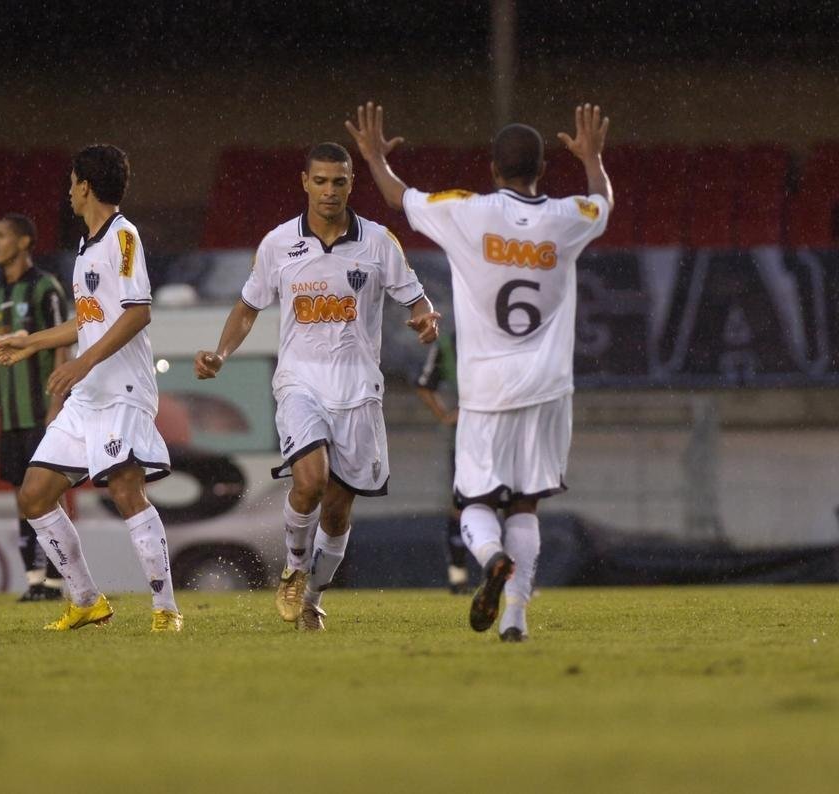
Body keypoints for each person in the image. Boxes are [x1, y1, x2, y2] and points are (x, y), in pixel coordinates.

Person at [347, 101, 613, 641]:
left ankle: (490, 559)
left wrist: (374, 156)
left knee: (473, 502)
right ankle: (515, 619)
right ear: (542, 170)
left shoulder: (466, 211)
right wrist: (592, 158)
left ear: (493, 170)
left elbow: (400, 197)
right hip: (548, 387)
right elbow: (604, 202)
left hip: (487, 386)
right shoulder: (567, 219)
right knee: (525, 504)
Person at [195, 142, 439, 632]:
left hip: (359, 391)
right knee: (309, 481)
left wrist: (425, 319)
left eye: (339, 181)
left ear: (352, 184)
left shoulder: (379, 244)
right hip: (300, 383)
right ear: (305, 182)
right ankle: (292, 567)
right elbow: (248, 307)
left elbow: (417, 300)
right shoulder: (279, 244)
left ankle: (313, 595)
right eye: (321, 181)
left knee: (337, 508)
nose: (330, 190)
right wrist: (221, 354)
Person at [0, 144, 182, 632]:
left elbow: (139, 312)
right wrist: (29, 342)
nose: (68, 191)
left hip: (122, 390)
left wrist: (82, 363)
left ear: (86, 187)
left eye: (72, 181)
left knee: (125, 489)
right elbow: (87, 320)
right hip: (88, 394)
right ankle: (87, 601)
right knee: (33, 495)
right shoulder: (86, 246)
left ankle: (166, 610)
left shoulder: (123, 236)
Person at [0, 213, 70, 602]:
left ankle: (55, 580)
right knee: (21, 496)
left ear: (23, 242)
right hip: (13, 419)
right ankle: (35, 580)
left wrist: (57, 404)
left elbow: (62, 344)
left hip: (39, 412)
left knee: (46, 494)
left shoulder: (44, 289)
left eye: (1, 235)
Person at [413, 330, 471, 594]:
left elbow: (425, 385)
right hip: (470, 434)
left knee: (475, 501)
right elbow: (425, 386)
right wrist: (446, 415)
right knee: (462, 502)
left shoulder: (456, 341)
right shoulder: (451, 344)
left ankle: (506, 574)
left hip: (491, 430)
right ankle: (458, 575)